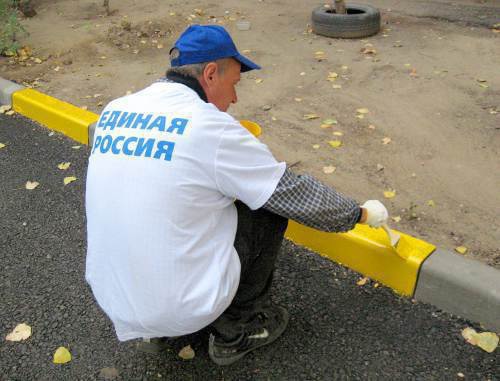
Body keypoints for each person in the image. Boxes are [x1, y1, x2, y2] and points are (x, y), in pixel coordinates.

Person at [85, 24, 389, 366]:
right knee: (265, 204)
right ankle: (239, 329)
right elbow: (292, 191)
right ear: (211, 74)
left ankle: (155, 330)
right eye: (234, 85)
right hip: (182, 305)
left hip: (115, 299)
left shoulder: (115, 110)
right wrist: (359, 214)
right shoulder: (209, 126)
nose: (234, 99)